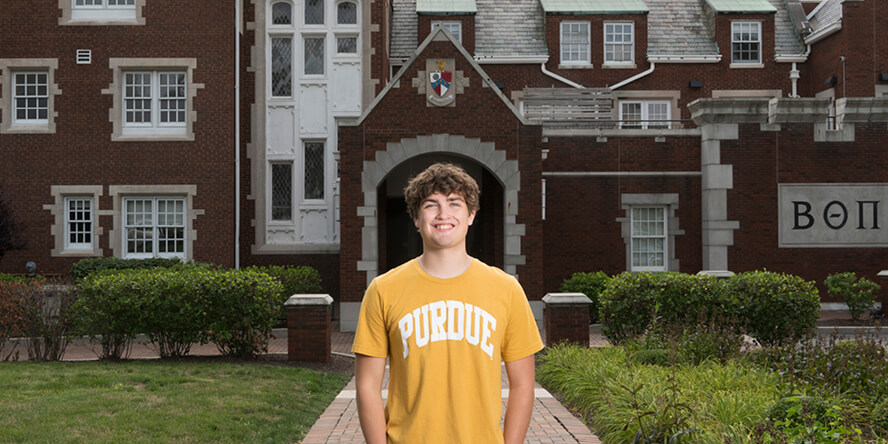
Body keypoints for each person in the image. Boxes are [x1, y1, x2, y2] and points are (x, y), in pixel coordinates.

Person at [352, 162, 544, 444]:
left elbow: (524, 384)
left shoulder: (506, 289)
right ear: (416, 218)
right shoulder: (383, 290)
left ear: (471, 215)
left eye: (455, 203)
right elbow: (367, 386)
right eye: (431, 205)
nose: (443, 214)